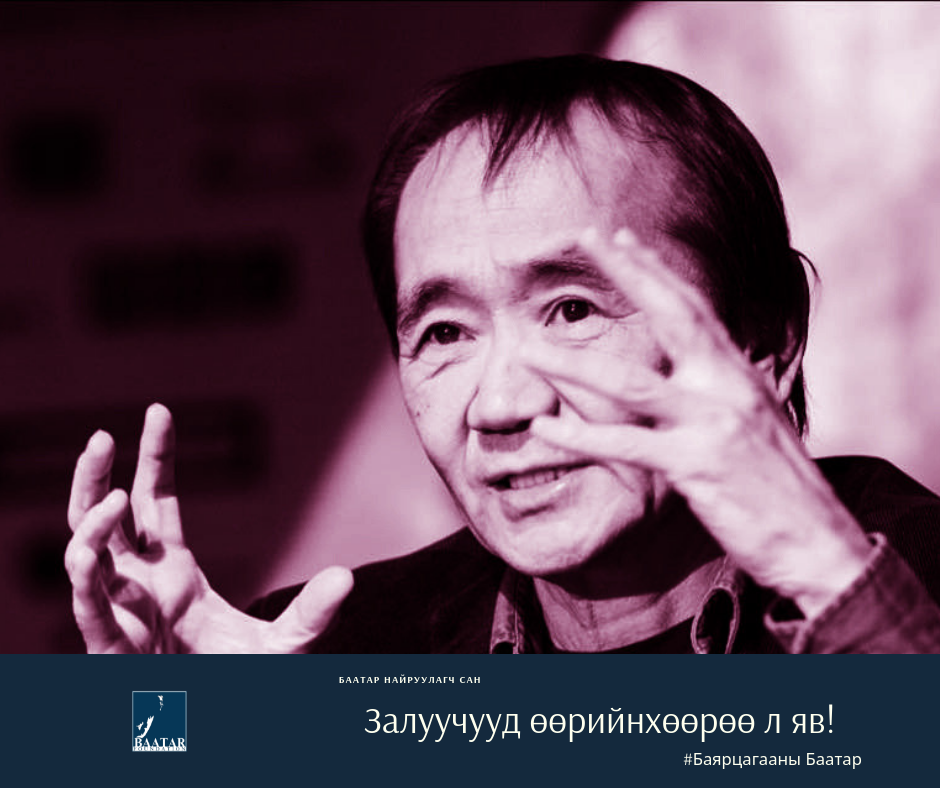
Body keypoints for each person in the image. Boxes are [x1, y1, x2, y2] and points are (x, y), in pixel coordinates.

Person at [65, 55, 940, 654]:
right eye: (445, 333)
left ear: (765, 338)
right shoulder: (327, 653)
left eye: (571, 310)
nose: (500, 406)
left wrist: (843, 597)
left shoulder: (912, 577)